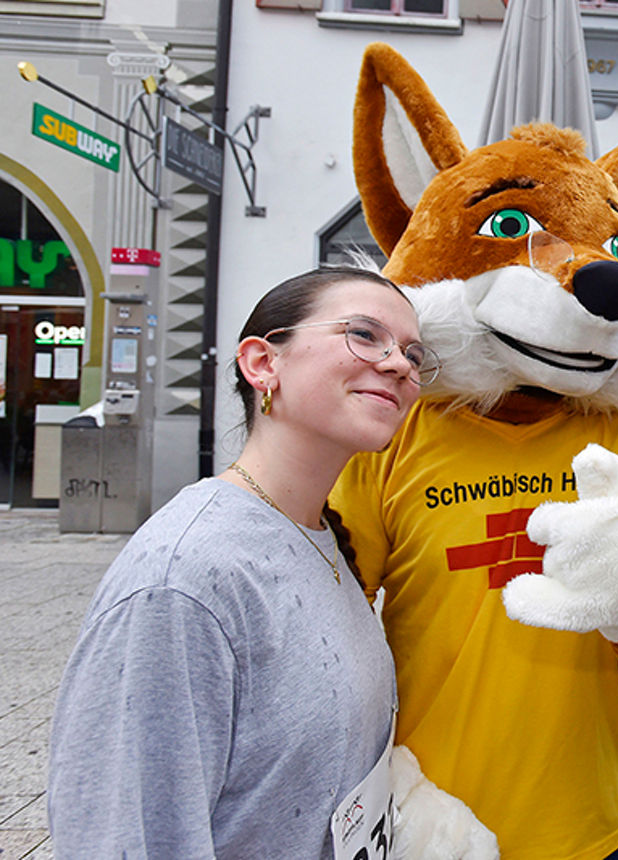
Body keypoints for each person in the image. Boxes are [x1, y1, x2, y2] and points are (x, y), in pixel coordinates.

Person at [47, 266, 435, 857]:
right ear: (262, 364)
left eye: (412, 353)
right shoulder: (184, 577)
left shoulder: (321, 535)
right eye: (363, 334)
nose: (399, 365)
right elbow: (125, 833)